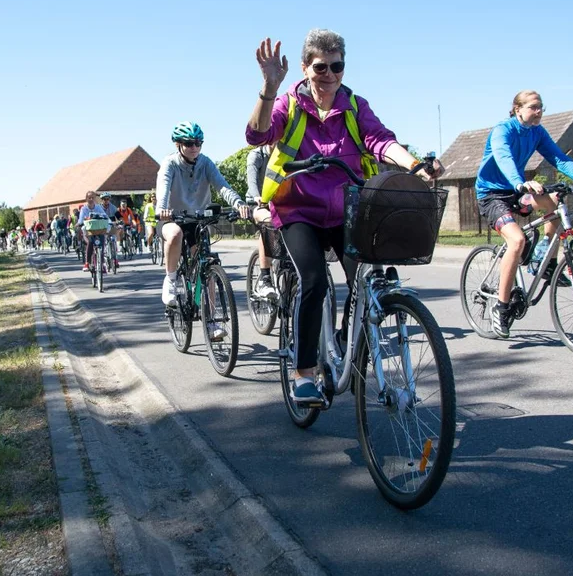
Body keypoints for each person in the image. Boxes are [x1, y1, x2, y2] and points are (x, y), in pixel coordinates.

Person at [244, 30, 442, 405]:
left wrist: (414, 164)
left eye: (338, 66)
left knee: (364, 278)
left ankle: (340, 342)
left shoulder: (354, 105)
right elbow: (257, 135)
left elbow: (380, 139)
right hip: (297, 208)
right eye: (321, 67)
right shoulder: (289, 104)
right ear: (305, 68)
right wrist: (270, 87)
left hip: (345, 209)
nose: (330, 74)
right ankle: (304, 373)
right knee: (315, 281)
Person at [475, 89, 573, 339]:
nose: (539, 112)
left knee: (555, 203)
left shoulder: (537, 132)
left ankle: (542, 262)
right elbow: (503, 157)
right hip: (492, 194)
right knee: (516, 241)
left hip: (517, 190)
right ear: (518, 109)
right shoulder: (503, 130)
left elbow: (558, 158)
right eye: (534, 107)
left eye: (541, 107)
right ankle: (501, 309)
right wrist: (520, 181)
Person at [157, 122, 251, 306]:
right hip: (172, 218)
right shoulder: (170, 164)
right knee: (175, 234)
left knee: (206, 264)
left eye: (198, 143)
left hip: (197, 220)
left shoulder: (205, 163)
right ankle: (171, 279)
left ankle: (212, 318)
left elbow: (222, 186)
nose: (194, 147)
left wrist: (238, 203)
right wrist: (162, 209)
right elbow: (164, 186)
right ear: (178, 145)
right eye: (189, 143)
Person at [245, 144, 278, 300]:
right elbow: (251, 181)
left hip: (279, 202)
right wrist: (257, 196)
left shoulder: (288, 152)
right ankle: (264, 278)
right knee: (268, 223)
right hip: (257, 202)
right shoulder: (256, 155)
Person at [77, 191, 112, 271]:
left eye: (93, 197)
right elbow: (81, 219)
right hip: (89, 231)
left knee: (102, 242)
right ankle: (87, 263)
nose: (91, 199)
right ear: (86, 199)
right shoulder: (84, 209)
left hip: (98, 229)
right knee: (90, 242)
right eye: (89, 198)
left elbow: (105, 216)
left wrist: (110, 222)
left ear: (95, 198)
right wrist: (80, 223)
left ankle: (102, 263)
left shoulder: (98, 207)